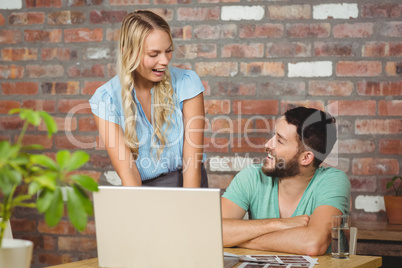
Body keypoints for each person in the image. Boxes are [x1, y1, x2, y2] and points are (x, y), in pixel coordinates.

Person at [89, 10, 207, 187]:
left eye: (168, 51)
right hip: (141, 191)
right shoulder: (106, 99)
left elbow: (192, 165)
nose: (165, 60)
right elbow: (128, 173)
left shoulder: (187, 83)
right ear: (128, 53)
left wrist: (188, 208)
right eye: (154, 54)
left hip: (189, 185)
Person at [221, 106, 351, 256]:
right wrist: (278, 224)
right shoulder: (252, 177)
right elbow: (211, 231)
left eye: (279, 141)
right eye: (273, 136)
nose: (268, 145)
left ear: (306, 158)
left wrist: (240, 239)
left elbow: (313, 244)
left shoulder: (332, 181)